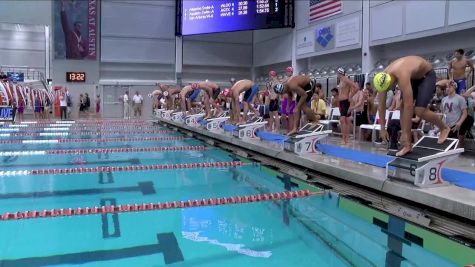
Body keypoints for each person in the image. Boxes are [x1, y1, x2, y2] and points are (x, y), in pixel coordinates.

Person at [374, 55, 450, 156]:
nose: (389, 90)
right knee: (401, 107)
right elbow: (381, 105)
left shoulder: (402, 75)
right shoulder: (382, 79)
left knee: (419, 110)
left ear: (391, 81)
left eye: (389, 87)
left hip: (426, 75)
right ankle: (407, 145)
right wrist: (382, 128)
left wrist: (405, 133)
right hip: (413, 76)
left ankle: (443, 128)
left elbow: (409, 106)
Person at [442, 81, 473, 148]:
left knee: (457, 143)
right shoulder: (444, 99)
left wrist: (459, 123)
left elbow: (465, 113)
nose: (447, 88)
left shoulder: (460, 99)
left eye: (449, 87)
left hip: (455, 124)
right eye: (446, 87)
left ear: (455, 87)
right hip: (446, 125)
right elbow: (443, 112)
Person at [337, 68, 357, 145]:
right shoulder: (341, 81)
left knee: (343, 120)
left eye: (338, 73)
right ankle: (346, 139)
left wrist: (350, 96)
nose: (337, 75)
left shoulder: (346, 79)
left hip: (345, 102)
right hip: (341, 102)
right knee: (345, 121)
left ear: (340, 73)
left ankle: (345, 139)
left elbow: (356, 87)